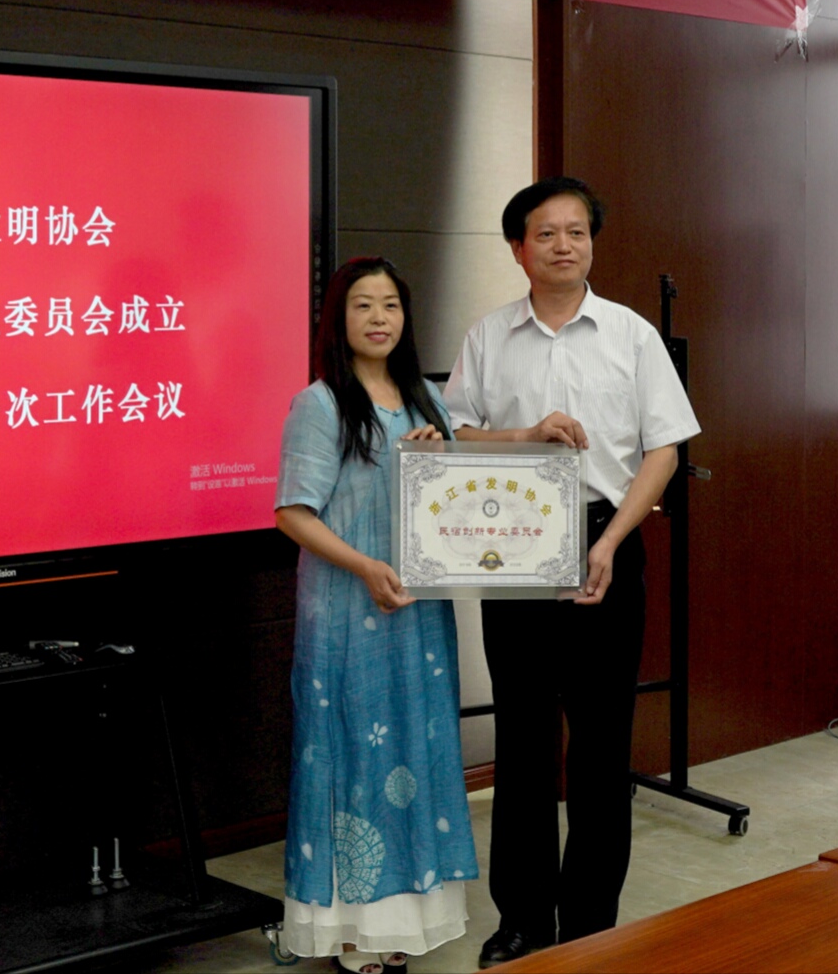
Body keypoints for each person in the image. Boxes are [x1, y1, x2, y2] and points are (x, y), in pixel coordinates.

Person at [446, 177, 700, 966]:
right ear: (518, 247)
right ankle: (522, 919)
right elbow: (454, 434)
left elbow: (665, 448)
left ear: (593, 241)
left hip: (605, 541)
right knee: (522, 743)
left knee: (600, 745)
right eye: (546, 233)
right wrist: (525, 434)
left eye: (577, 231)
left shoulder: (631, 334)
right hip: (515, 545)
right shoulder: (489, 337)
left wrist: (612, 541)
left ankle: (592, 921)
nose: (564, 245)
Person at [275, 257, 480, 972]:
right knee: (353, 759)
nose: (379, 317)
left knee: (417, 758)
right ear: (339, 318)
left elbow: (455, 500)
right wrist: (364, 566)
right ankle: (348, 929)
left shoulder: (429, 399)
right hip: (344, 615)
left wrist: (440, 457)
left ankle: (408, 920)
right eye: (363, 304)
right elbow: (293, 513)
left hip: (419, 617)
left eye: (391, 304)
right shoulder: (320, 403)